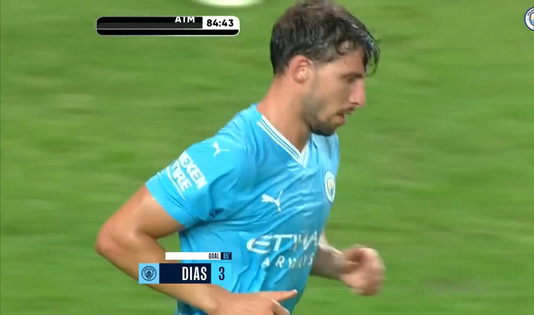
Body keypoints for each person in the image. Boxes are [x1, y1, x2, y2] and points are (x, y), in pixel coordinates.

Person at [95, 0, 384, 314]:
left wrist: (339, 265)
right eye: (348, 80)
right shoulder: (233, 158)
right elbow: (118, 240)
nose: (360, 99)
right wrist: (220, 301)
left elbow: (278, 241)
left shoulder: (323, 145)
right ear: (301, 70)